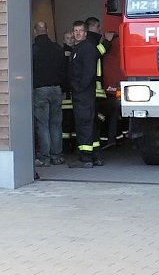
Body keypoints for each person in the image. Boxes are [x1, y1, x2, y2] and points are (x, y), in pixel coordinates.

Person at [68, 20, 105, 168]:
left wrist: (79, 87)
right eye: (75, 31)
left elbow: (89, 72)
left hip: (83, 93)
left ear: (85, 33)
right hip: (84, 94)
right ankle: (95, 156)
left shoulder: (86, 48)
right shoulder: (78, 48)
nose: (77, 33)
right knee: (90, 124)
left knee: (84, 125)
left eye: (80, 31)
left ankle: (85, 158)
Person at [31, 22, 66, 167]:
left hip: (40, 90)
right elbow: (64, 69)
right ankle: (57, 156)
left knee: (43, 125)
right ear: (46, 30)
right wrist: (63, 89)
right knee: (56, 124)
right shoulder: (57, 48)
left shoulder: (33, 49)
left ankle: (45, 158)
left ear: (35, 31)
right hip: (56, 89)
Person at [86, 17, 118, 150]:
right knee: (101, 115)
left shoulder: (90, 41)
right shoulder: (90, 42)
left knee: (109, 110)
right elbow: (97, 52)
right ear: (92, 27)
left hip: (95, 90)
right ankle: (105, 141)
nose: (100, 29)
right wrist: (107, 40)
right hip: (94, 90)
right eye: (98, 26)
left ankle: (108, 140)